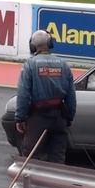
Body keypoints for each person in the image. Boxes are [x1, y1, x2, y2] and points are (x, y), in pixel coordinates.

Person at [15, 30, 76, 164]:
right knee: (58, 158)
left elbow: (23, 94)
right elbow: (71, 95)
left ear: (33, 47)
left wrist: (20, 118)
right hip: (59, 117)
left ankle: (30, 184)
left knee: (31, 157)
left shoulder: (30, 65)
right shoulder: (63, 64)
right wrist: (69, 117)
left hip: (38, 117)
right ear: (50, 44)